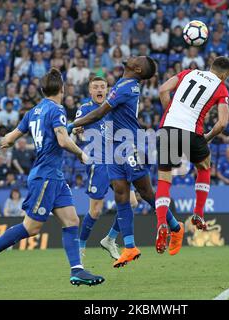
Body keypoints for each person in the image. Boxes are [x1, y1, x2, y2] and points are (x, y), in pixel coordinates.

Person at [0, 68, 104, 287]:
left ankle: (77, 270)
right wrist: (81, 153)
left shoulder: (34, 111)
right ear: (62, 89)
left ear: (43, 90)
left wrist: (4, 142)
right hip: (45, 176)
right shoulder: (57, 109)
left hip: (54, 176)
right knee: (32, 228)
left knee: (72, 220)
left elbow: (11, 137)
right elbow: (62, 141)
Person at [68, 56, 181, 266]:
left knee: (145, 194)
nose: (130, 56)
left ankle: (175, 227)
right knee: (120, 195)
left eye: (135, 58)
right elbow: (96, 116)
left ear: (136, 68)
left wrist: (71, 125)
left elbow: (99, 113)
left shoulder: (126, 88)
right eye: (97, 86)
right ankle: (127, 246)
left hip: (129, 145)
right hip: (112, 151)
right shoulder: (123, 83)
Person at [156, 56, 229, 250]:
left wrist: (171, 111)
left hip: (168, 128)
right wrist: (207, 137)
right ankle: (198, 213)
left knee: (164, 177)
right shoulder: (221, 88)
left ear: (210, 67)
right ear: (224, 74)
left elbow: (163, 89)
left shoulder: (188, 73)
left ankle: (161, 224)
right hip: (192, 131)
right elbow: (223, 123)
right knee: (204, 166)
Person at [74, 77, 138, 260]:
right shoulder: (85, 109)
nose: (100, 89)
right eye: (96, 87)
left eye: (103, 86)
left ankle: (110, 239)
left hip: (116, 160)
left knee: (132, 202)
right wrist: (77, 129)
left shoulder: (113, 105)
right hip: (98, 162)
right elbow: (76, 126)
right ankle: (81, 247)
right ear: (90, 91)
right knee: (95, 211)